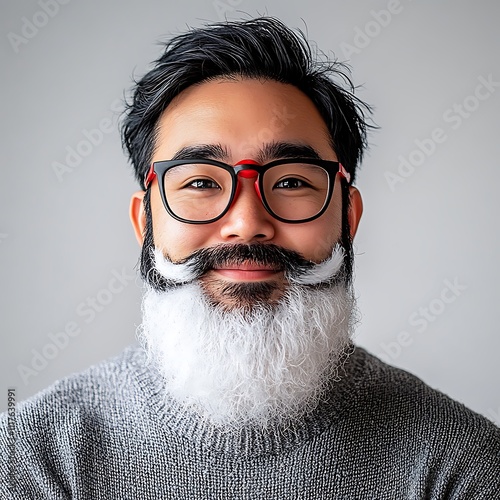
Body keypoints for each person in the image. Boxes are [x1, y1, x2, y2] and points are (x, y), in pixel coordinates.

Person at [1, 17, 499, 499]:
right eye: (199, 181)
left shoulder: (461, 465)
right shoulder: (29, 457)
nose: (246, 221)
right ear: (145, 223)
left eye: (290, 181)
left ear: (348, 216)